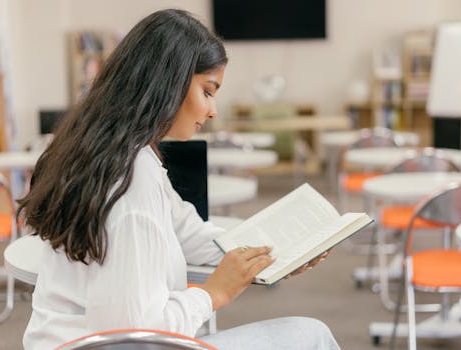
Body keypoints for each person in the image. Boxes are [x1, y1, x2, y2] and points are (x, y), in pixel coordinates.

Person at [18, 9, 340, 350]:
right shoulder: (131, 178)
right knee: (312, 336)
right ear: (169, 82)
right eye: (208, 91)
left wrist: (278, 252)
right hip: (123, 345)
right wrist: (212, 294)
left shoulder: (117, 153)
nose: (212, 110)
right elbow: (134, 333)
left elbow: (188, 232)